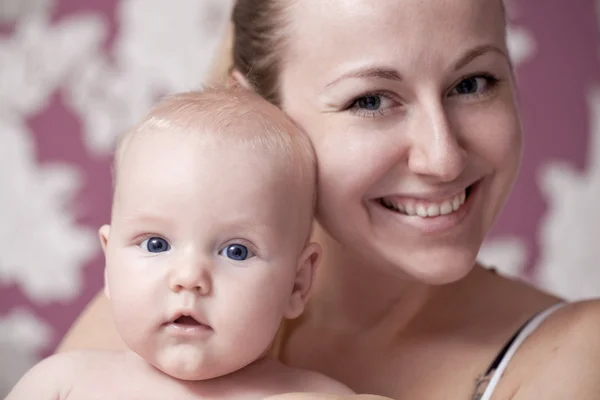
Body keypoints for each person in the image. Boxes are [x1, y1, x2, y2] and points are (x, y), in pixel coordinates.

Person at [58, 0, 600, 399]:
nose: (444, 159)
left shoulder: (576, 357)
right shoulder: (165, 300)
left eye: (472, 83)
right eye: (370, 99)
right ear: (256, 108)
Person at [7, 89, 355, 399]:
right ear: (109, 266)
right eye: (156, 244)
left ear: (297, 283)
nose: (189, 277)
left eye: (237, 251)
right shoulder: (62, 384)